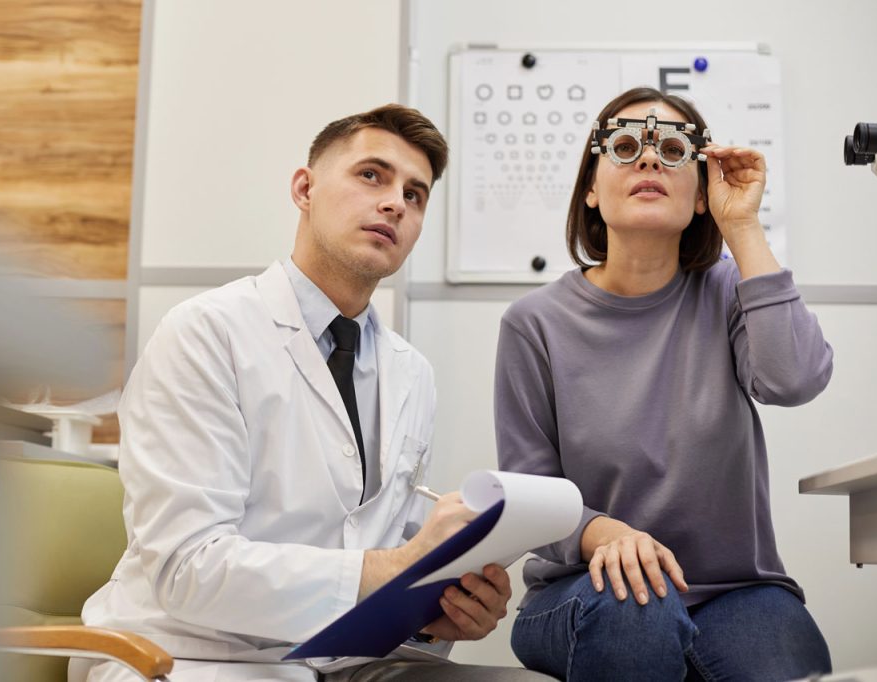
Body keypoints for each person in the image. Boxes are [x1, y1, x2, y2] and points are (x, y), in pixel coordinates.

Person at [80, 104, 552, 682]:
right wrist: (394, 567)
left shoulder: (411, 372)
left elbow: (374, 536)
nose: (394, 203)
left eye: (415, 194)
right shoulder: (207, 332)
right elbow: (187, 569)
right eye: (371, 175)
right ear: (304, 189)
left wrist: (437, 611)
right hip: (188, 655)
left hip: (345, 658)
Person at [494, 87, 835, 681]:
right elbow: (530, 496)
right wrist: (607, 535)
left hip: (736, 591)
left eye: (674, 149)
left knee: (787, 656)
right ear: (592, 191)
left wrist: (745, 229)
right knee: (636, 609)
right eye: (625, 146)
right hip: (586, 587)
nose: (649, 160)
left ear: (701, 195)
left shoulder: (731, 292)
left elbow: (796, 379)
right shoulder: (533, 324)